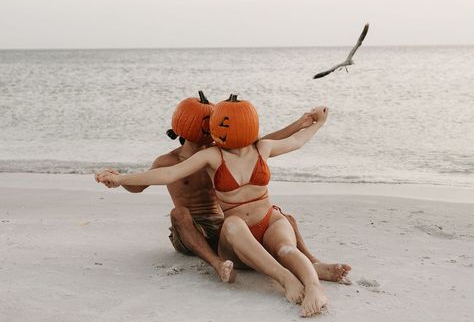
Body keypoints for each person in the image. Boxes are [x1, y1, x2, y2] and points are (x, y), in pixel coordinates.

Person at [97, 95, 348, 316]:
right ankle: (256, 272)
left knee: (284, 231)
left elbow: (279, 142)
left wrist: (308, 123)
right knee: (204, 218)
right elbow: (165, 176)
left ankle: (313, 277)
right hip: (213, 227)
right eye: (211, 123)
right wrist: (121, 179)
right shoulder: (201, 157)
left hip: (242, 222)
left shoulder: (241, 147)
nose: (212, 127)